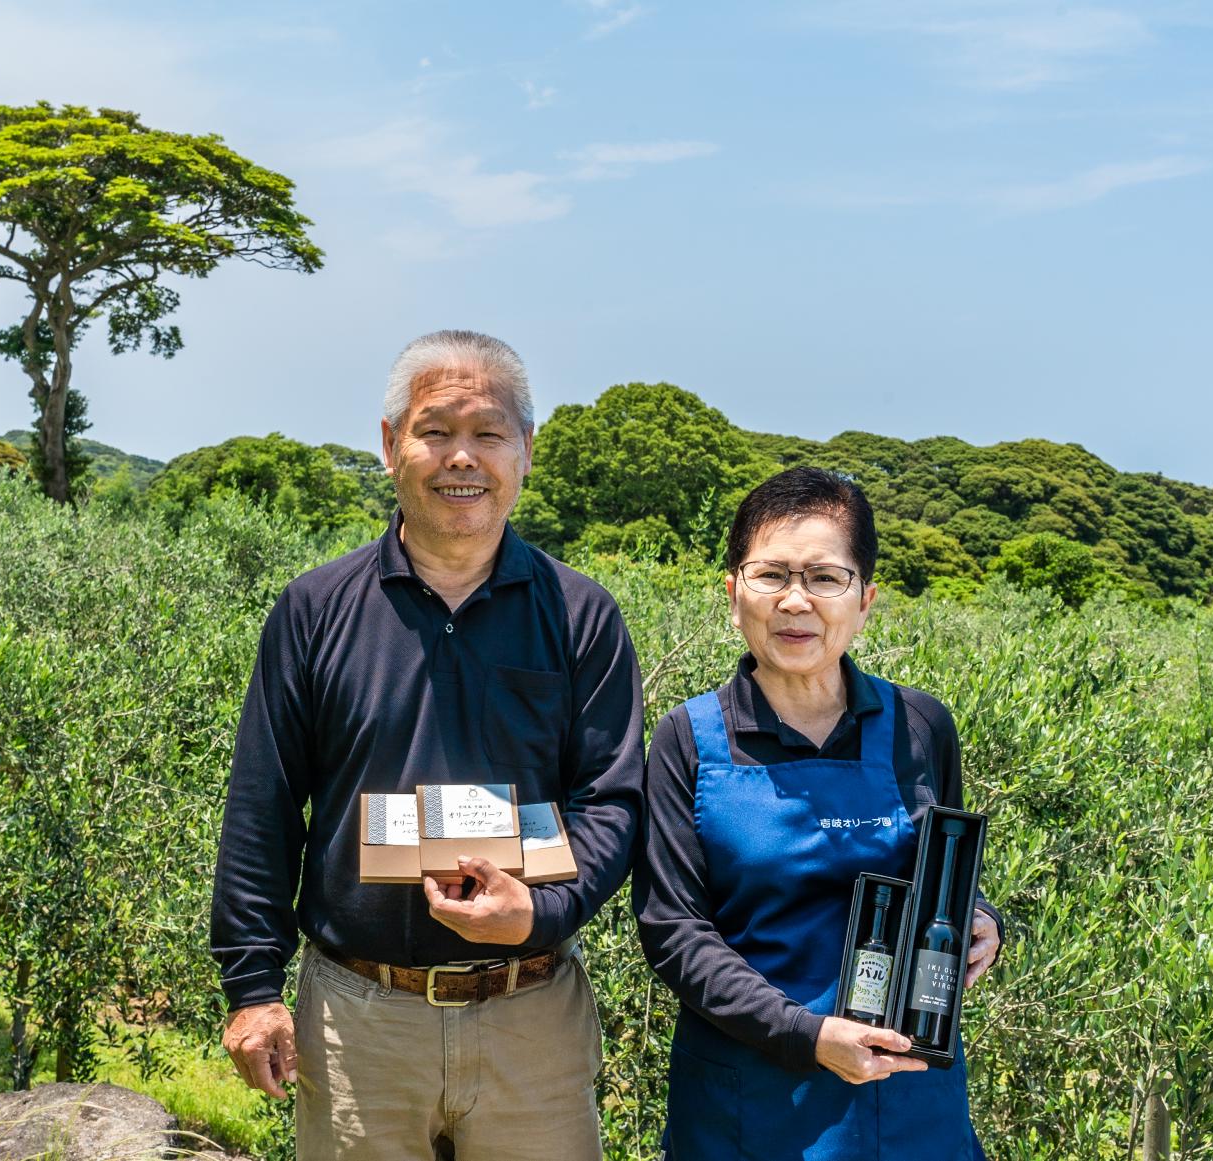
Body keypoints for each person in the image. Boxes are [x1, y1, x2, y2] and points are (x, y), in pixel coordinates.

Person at [209, 330, 643, 1160]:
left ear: (526, 451)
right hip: (359, 1019)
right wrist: (252, 986)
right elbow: (263, 806)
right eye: (435, 430)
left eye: (488, 434)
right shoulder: (314, 610)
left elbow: (612, 799)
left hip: (532, 1016)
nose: (461, 459)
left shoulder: (582, 614)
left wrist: (538, 911)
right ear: (389, 444)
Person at [632, 466, 1004, 1160]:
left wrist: (985, 921)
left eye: (825, 578)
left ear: (865, 599)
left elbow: (949, 873)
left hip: (909, 1100)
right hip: (750, 1101)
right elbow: (673, 929)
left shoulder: (920, 724)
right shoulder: (689, 739)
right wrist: (807, 1033)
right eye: (771, 574)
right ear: (734, 592)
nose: (796, 601)